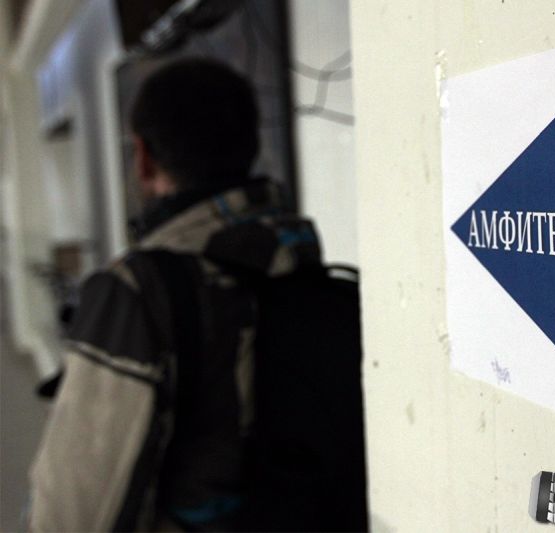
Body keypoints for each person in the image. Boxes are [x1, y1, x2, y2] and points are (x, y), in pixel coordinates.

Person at [28, 58, 366, 532]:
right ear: (249, 147)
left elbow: (72, 513)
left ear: (143, 157)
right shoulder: (310, 275)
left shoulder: (137, 293)